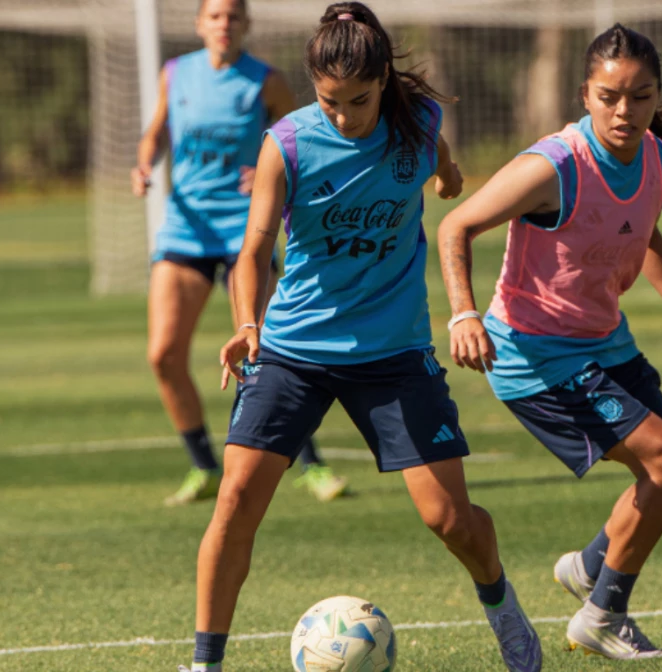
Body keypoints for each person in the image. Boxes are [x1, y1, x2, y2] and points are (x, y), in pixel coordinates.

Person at [177, 4, 542, 671]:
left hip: (394, 354)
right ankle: (205, 663)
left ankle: (502, 605)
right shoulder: (286, 142)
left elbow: (443, 162)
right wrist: (247, 322)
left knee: (450, 520)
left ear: (383, 85)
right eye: (329, 102)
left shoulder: (420, 124)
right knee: (233, 501)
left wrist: (448, 178)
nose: (343, 117)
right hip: (291, 350)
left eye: (359, 101)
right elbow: (254, 247)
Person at [438, 24, 662, 660]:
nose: (623, 111)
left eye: (639, 96)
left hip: (605, 343)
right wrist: (463, 316)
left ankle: (589, 569)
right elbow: (456, 226)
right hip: (535, 356)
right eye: (608, 97)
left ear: (657, 96)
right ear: (585, 94)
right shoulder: (554, 165)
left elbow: (642, 229)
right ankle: (604, 613)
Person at [132, 0, 348, 506]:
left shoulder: (265, 80)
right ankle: (202, 464)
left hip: (246, 231)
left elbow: (299, 136)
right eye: (215, 16)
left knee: (265, 352)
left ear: (246, 25)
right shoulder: (176, 74)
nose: (223, 25)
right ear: (200, 24)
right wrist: (145, 165)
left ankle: (311, 464)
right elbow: (157, 131)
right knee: (163, 355)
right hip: (186, 230)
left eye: (233, 16)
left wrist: (267, 168)